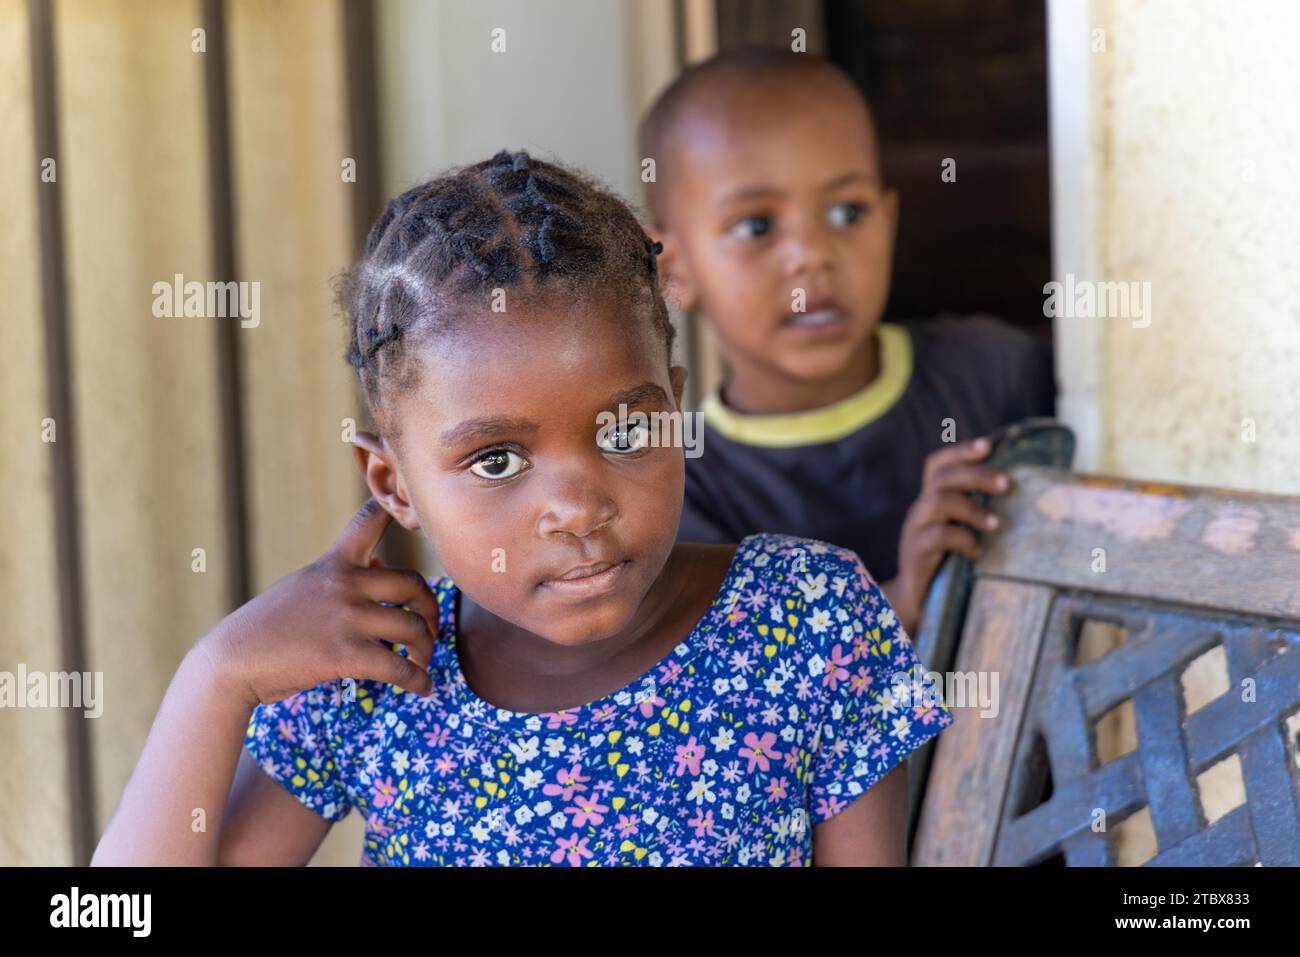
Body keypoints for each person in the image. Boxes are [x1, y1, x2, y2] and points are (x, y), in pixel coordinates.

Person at [91, 150, 953, 868]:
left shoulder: (803, 619)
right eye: (496, 458)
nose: (577, 507)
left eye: (624, 428)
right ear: (394, 484)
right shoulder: (375, 679)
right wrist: (218, 673)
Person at [640, 49, 1057, 634]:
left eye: (847, 212)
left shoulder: (993, 374)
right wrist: (904, 601)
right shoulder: (684, 484)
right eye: (756, 225)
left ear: (888, 220)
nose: (812, 255)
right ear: (674, 269)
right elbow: (740, 687)